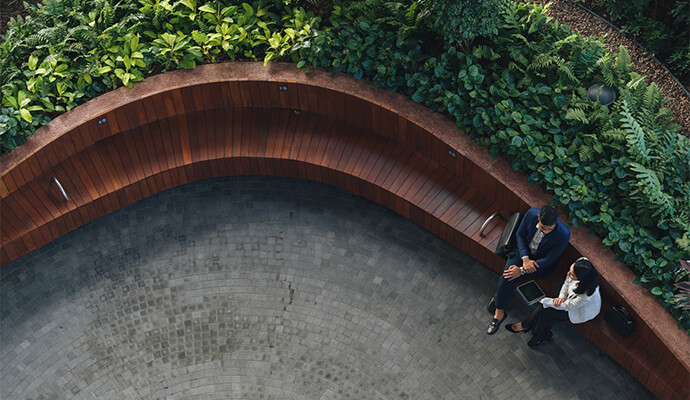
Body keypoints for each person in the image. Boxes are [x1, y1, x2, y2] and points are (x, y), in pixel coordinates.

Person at [486, 205, 570, 335]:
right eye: (542, 228)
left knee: (507, 278)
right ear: (538, 218)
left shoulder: (563, 234)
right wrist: (524, 258)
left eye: (549, 229)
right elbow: (519, 234)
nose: (545, 232)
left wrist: (521, 270)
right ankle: (499, 311)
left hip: (539, 263)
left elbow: (549, 259)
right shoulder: (531, 214)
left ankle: (499, 301)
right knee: (507, 277)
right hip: (522, 252)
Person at [504, 257, 601, 347]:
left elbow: (568, 306)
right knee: (546, 310)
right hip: (568, 302)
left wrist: (542, 300)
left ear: (581, 279)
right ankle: (538, 333)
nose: (568, 273)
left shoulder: (586, 295)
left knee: (546, 311)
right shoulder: (581, 262)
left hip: (578, 311)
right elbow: (567, 282)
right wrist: (561, 297)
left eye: (572, 275)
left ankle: (529, 327)